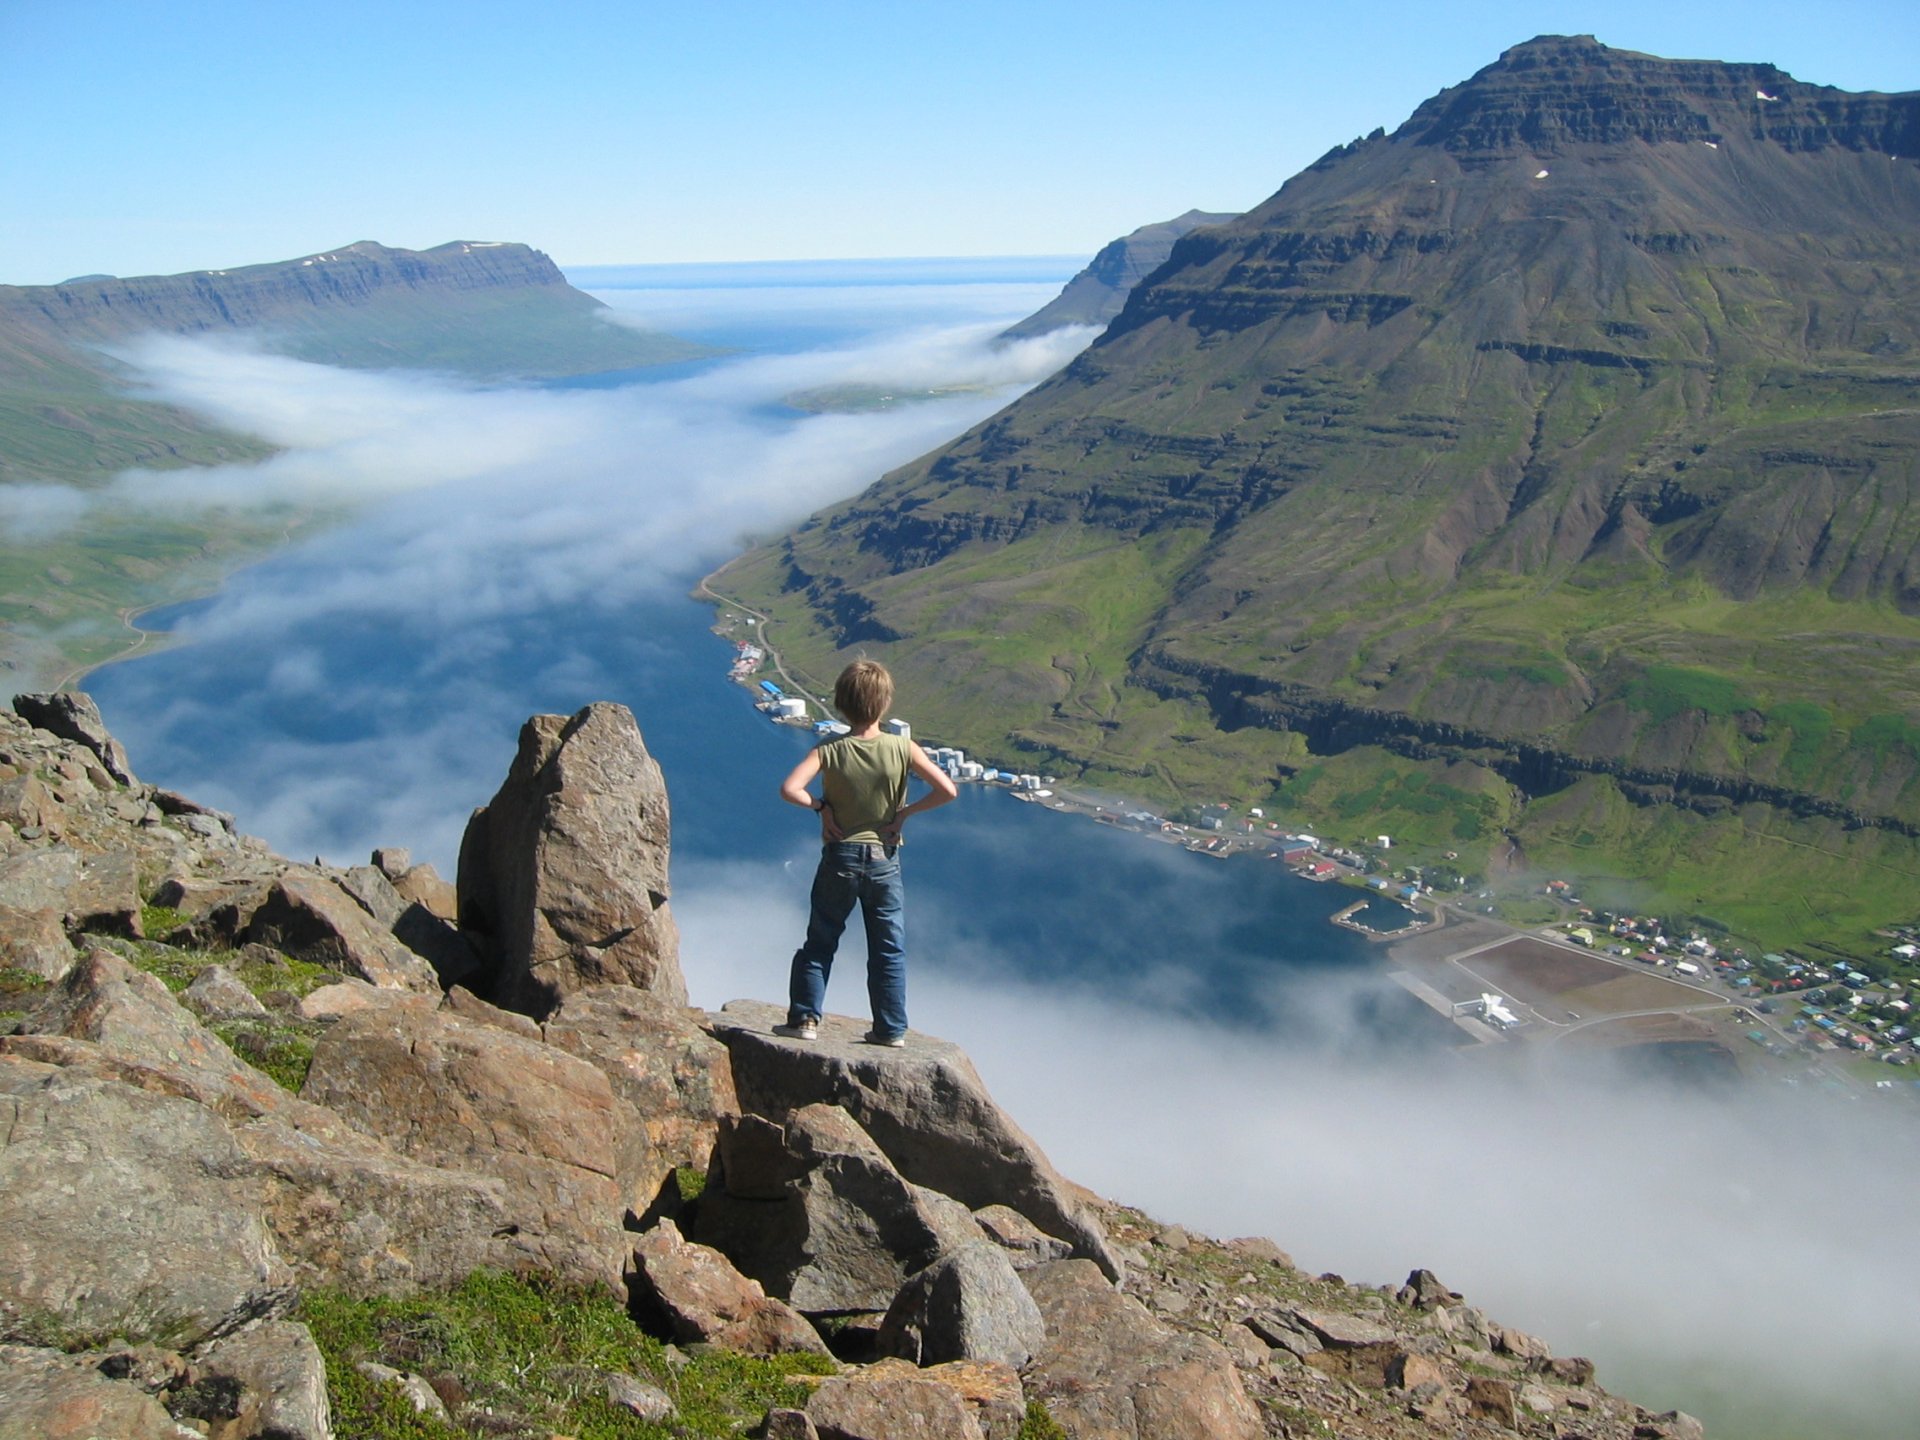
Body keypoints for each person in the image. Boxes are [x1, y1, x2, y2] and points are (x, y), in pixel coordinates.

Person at [775, 659, 957, 1046]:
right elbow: (948, 790)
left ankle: (805, 1020)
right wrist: (905, 814)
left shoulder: (830, 749)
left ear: (841, 703)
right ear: (884, 704)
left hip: (840, 857)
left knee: (820, 941)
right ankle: (890, 1029)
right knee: (888, 949)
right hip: (884, 861)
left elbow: (790, 789)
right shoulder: (902, 747)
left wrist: (821, 809)